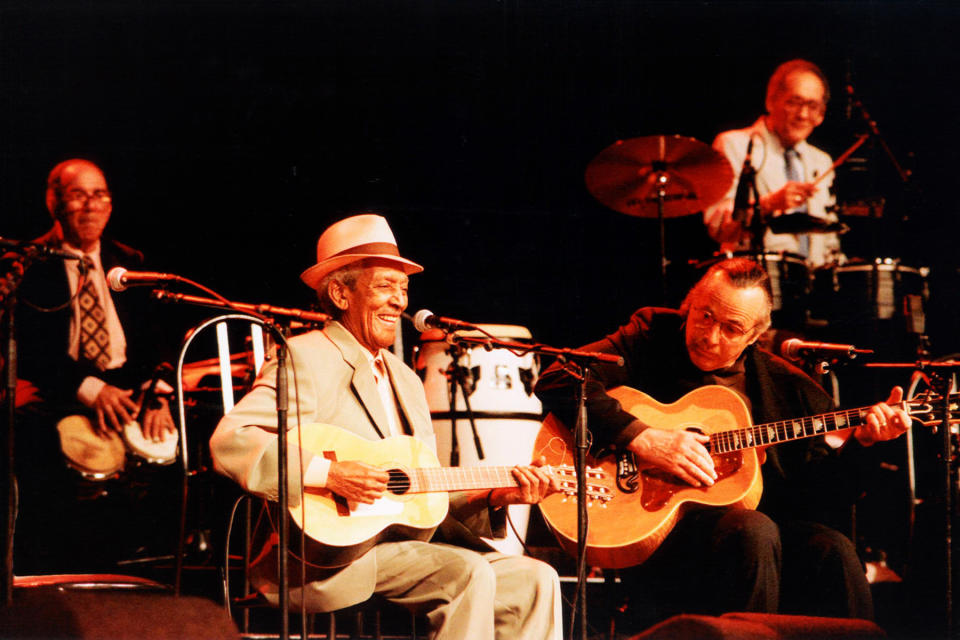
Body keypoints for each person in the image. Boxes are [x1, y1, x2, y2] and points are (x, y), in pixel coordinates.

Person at [209, 214, 563, 640]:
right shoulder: (304, 356)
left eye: (404, 289)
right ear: (341, 293)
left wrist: (494, 495)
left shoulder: (407, 379)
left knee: (536, 580)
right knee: (465, 572)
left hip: (404, 546)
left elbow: (421, 494)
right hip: (321, 562)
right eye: (384, 287)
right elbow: (232, 440)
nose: (399, 301)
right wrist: (330, 473)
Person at [535, 257, 911, 629]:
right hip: (662, 531)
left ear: (754, 336)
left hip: (755, 538)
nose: (710, 335)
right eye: (704, 316)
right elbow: (559, 378)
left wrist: (863, 444)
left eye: (732, 328)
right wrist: (643, 437)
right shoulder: (651, 335)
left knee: (834, 550)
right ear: (689, 304)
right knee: (753, 530)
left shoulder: (789, 388)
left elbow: (821, 496)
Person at [11, 158, 178, 572]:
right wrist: (89, 389)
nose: (91, 205)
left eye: (100, 194)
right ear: (54, 202)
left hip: (131, 389)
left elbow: (158, 339)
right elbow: (29, 348)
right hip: (60, 393)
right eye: (78, 195)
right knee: (32, 440)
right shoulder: (27, 265)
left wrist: (159, 393)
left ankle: (158, 570)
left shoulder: (130, 262)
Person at [704, 59, 841, 268]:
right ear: (770, 101)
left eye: (812, 106)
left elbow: (829, 238)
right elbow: (718, 226)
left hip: (811, 284)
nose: (803, 115)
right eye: (794, 102)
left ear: (821, 115)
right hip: (752, 278)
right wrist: (769, 204)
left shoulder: (822, 161)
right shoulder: (735, 145)